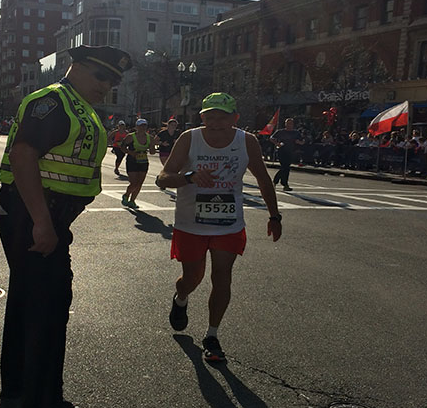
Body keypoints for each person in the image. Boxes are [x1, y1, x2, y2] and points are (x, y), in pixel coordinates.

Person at [0, 44, 134, 408]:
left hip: (44, 214)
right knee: (49, 306)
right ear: (76, 66)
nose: (107, 85)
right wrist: (42, 221)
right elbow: (24, 156)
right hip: (35, 212)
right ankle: (44, 401)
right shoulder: (54, 101)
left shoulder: (78, 106)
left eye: (114, 80)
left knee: (27, 301)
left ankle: (19, 388)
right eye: (101, 75)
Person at [156, 93, 282, 364]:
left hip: (228, 222)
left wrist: (275, 216)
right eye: (209, 117)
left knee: (222, 276)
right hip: (190, 222)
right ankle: (181, 298)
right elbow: (162, 179)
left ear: (235, 118)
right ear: (201, 118)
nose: (215, 123)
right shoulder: (190, 138)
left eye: (222, 117)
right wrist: (188, 177)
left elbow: (262, 178)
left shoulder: (246, 141)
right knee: (193, 278)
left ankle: (212, 336)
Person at [121, 118, 156, 208]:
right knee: (134, 182)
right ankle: (126, 195)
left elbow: (152, 152)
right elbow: (122, 147)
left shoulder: (150, 138)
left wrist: (152, 146)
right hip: (132, 160)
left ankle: (132, 201)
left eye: (144, 126)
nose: (143, 128)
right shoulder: (130, 137)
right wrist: (131, 153)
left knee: (140, 183)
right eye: (141, 126)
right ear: (136, 127)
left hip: (143, 161)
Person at [270, 117, 303, 191]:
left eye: (290, 123)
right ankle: (277, 182)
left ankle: (284, 184)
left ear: (293, 124)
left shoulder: (296, 132)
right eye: (287, 123)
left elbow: (302, 141)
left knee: (286, 168)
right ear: (285, 124)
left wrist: (299, 142)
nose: (289, 125)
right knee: (284, 167)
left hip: (291, 151)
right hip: (282, 151)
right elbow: (271, 138)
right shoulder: (280, 131)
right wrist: (277, 143)